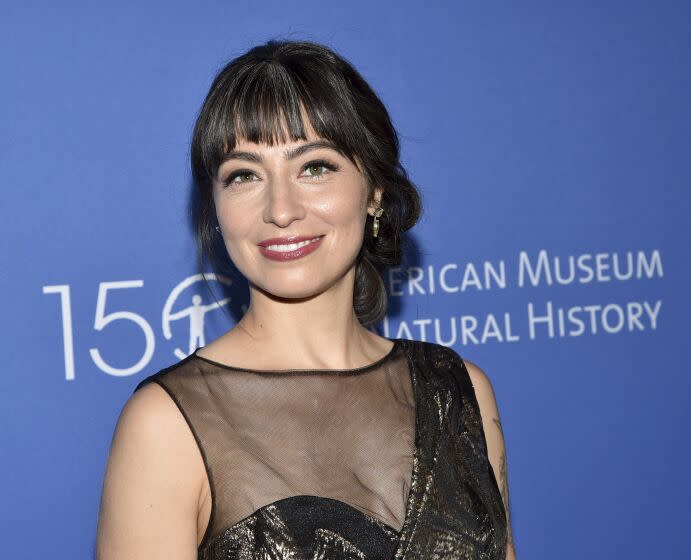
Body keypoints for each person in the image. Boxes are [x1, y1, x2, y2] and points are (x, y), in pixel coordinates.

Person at [96, 38, 516, 560]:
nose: (281, 208)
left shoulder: (460, 392)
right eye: (244, 175)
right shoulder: (165, 425)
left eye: (314, 167)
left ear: (376, 192)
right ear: (216, 208)